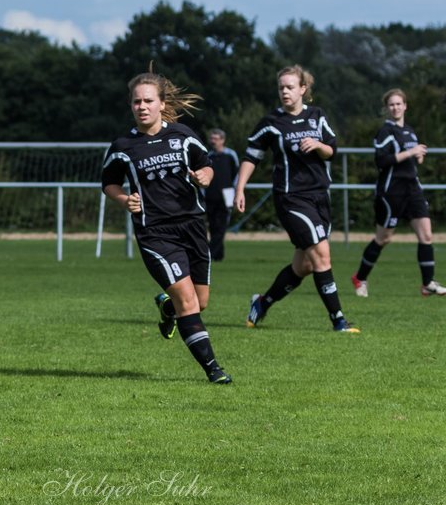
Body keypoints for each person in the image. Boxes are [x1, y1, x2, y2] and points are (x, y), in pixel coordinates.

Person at [101, 71, 232, 384]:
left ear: (162, 103)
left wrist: (205, 177)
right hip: (155, 232)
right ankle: (214, 370)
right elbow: (109, 183)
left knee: (200, 302)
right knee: (188, 301)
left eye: (148, 100)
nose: (142, 106)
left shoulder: (183, 135)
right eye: (136, 101)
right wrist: (123, 199)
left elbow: (206, 165)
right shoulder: (123, 146)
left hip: (193, 226)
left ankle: (167, 307)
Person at [234, 65, 359, 332]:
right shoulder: (271, 123)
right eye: (281, 87)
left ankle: (261, 303)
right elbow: (251, 157)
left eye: (290, 87)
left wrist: (319, 146)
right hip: (291, 199)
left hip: (319, 196)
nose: (285, 92)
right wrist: (239, 188)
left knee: (303, 266)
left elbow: (332, 150)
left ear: (303, 89)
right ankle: (338, 320)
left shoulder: (317, 116)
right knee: (322, 257)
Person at [352, 88, 446, 298]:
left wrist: (418, 156)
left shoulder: (410, 131)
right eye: (391, 104)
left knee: (426, 235)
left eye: (398, 103)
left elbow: (410, 157)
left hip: (413, 189)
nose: (395, 107)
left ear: (405, 106)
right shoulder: (385, 131)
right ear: (387, 108)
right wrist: (410, 153)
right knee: (383, 238)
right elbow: (381, 160)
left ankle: (428, 283)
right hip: (391, 191)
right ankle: (360, 278)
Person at [205, 128, 239, 261]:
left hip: (227, 195)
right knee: (213, 225)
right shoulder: (208, 156)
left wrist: (236, 192)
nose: (213, 141)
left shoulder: (230, 155)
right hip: (210, 195)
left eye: (216, 139)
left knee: (222, 225)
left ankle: (211, 253)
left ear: (222, 140)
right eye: (211, 138)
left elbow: (237, 174)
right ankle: (218, 255)